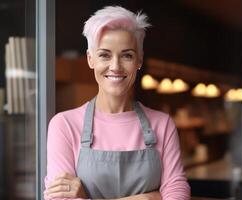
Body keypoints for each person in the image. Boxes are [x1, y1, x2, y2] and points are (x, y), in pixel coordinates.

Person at [43, 6, 190, 200]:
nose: (115, 66)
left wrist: (86, 197)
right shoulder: (64, 125)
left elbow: (177, 192)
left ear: (139, 60)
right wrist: (149, 197)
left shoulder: (162, 124)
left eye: (127, 55)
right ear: (90, 59)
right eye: (104, 55)